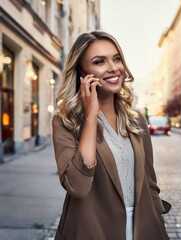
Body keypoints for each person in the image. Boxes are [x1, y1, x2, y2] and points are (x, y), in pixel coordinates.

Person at [52, 31, 171, 240]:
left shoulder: (136, 120)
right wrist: (90, 117)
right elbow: (77, 186)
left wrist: (158, 223)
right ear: (82, 72)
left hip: (142, 228)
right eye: (99, 62)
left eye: (117, 58)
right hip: (91, 230)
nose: (113, 67)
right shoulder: (65, 121)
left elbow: (150, 183)